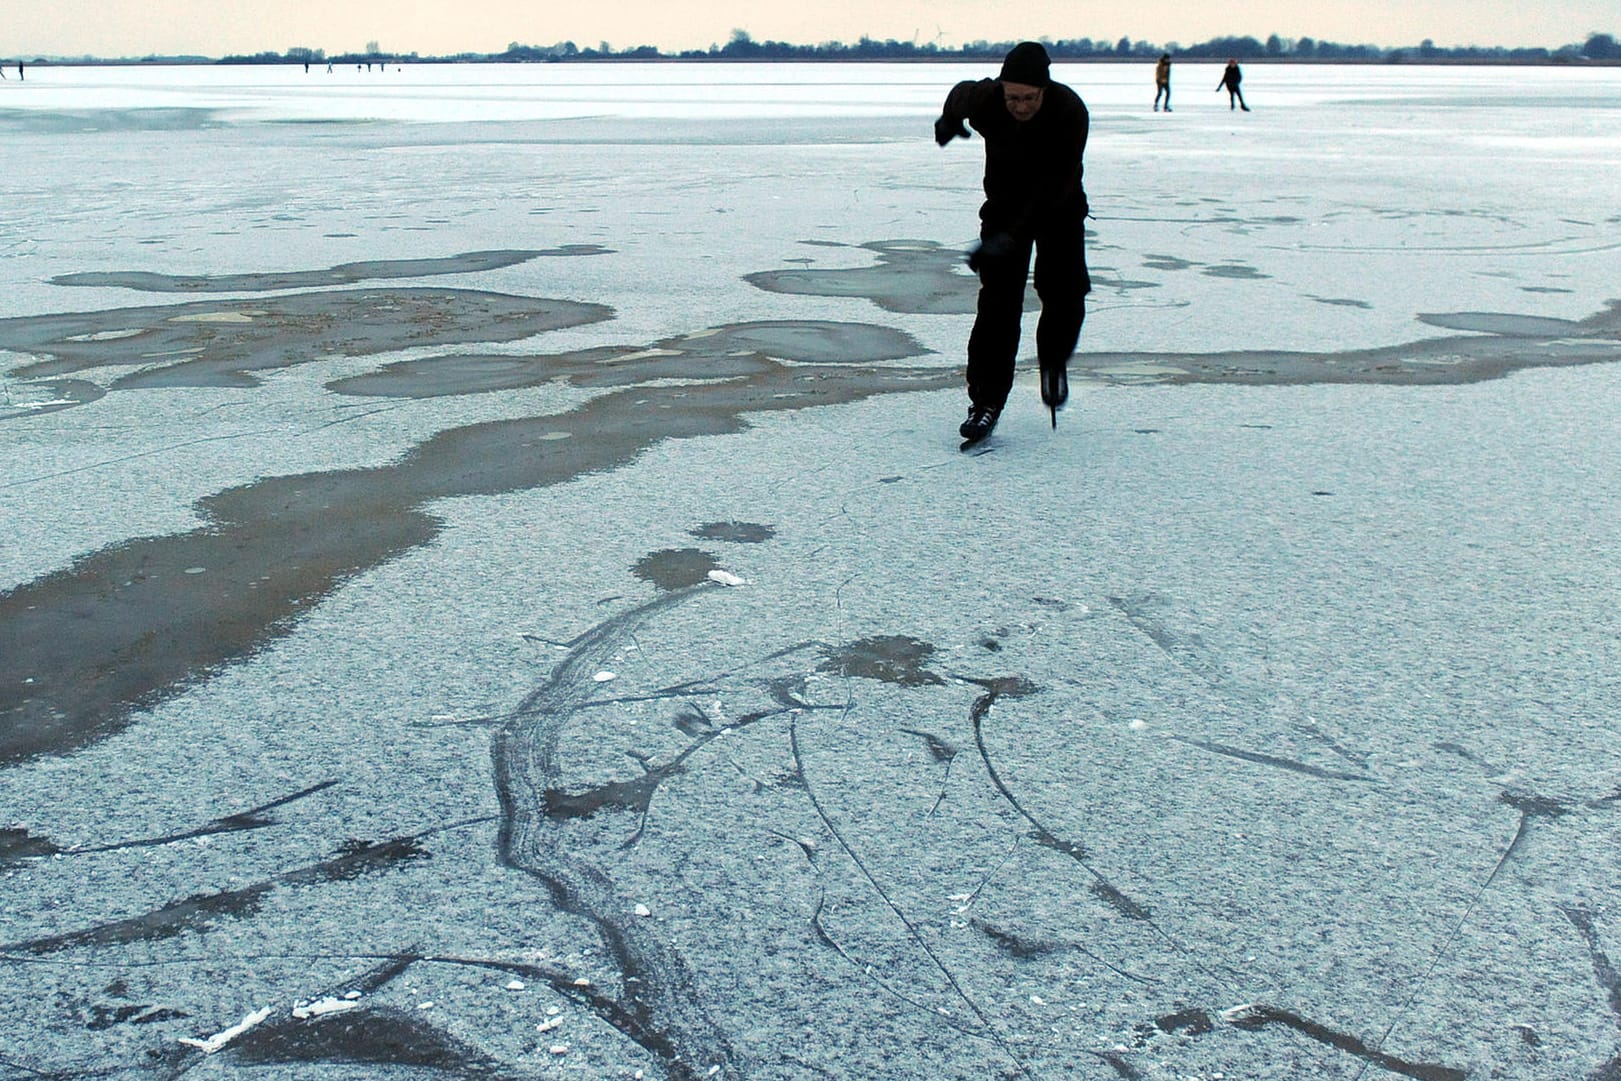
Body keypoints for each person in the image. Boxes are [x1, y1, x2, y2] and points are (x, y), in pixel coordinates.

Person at [934, 41, 1091, 441]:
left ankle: (1053, 362)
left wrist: (1007, 239)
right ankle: (986, 401)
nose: (1019, 106)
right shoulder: (988, 99)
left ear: (1045, 90)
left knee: (1064, 292)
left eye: (1028, 98)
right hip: (1004, 207)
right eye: (1012, 97)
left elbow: (1051, 191)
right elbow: (959, 95)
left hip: (1059, 207)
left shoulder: (1070, 112)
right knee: (998, 304)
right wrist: (949, 121)